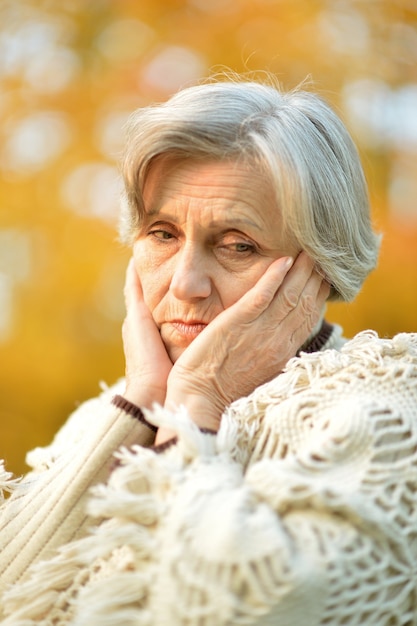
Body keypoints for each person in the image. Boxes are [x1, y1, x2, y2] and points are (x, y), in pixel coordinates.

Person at [0, 73, 416, 625]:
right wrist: (141, 406)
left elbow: (250, 609)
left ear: (318, 266)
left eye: (237, 245)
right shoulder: (96, 418)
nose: (184, 284)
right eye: (163, 234)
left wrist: (196, 407)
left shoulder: (387, 410)